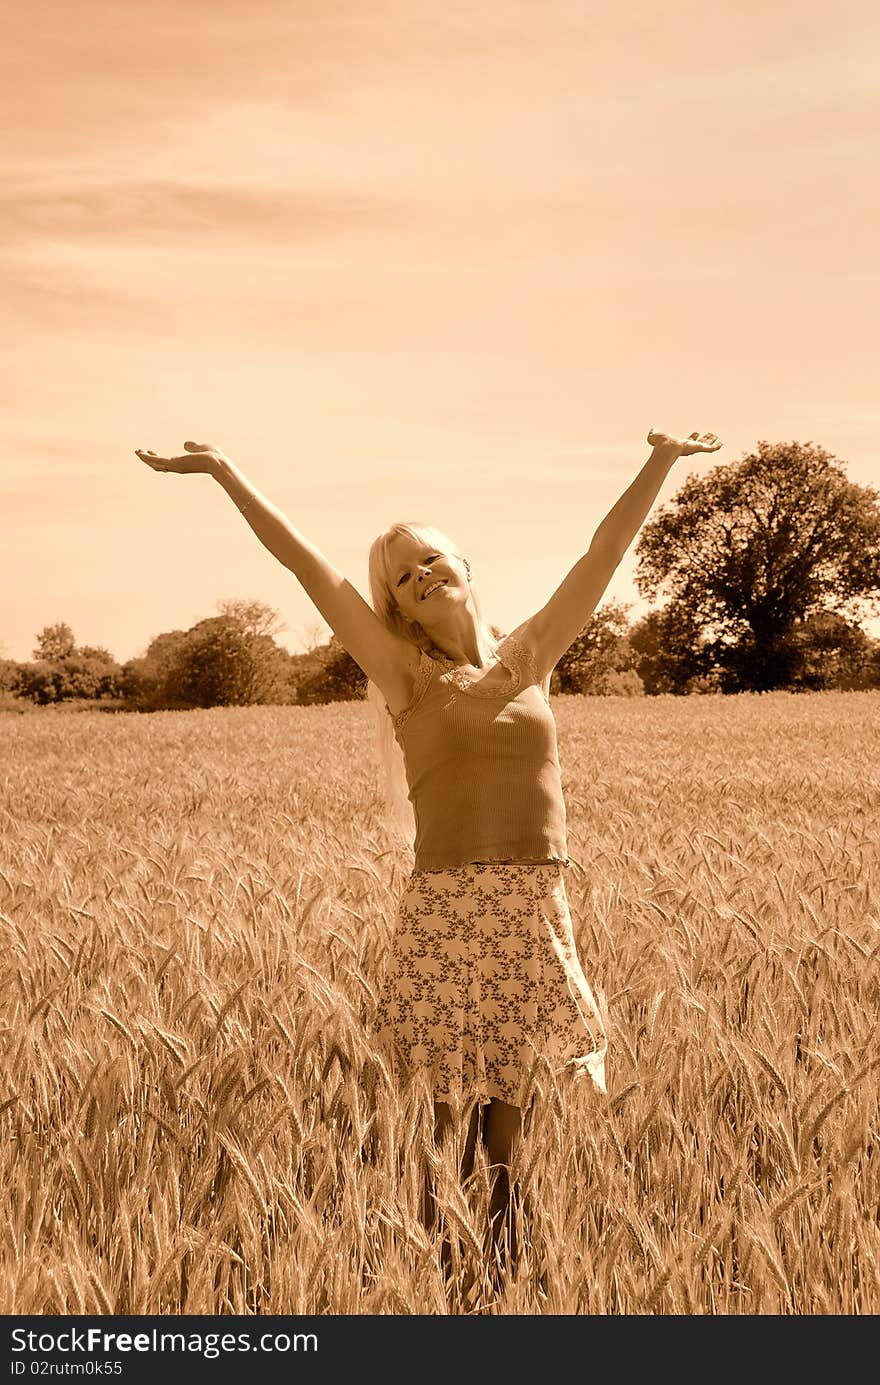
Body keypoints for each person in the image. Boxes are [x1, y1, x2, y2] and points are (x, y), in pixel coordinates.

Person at [135, 426, 721, 1295]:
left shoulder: (532, 658)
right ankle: (440, 1287)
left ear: (467, 568)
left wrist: (661, 461)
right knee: (447, 1130)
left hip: (531, 909)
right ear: (400, 610)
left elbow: (603, 552)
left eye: (432, 559)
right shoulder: (404, 674)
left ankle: (501, 1284)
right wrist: (225, 471)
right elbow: (311, 571)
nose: (421, 576)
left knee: (510, 1139)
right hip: (447, 915)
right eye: (404, 576)